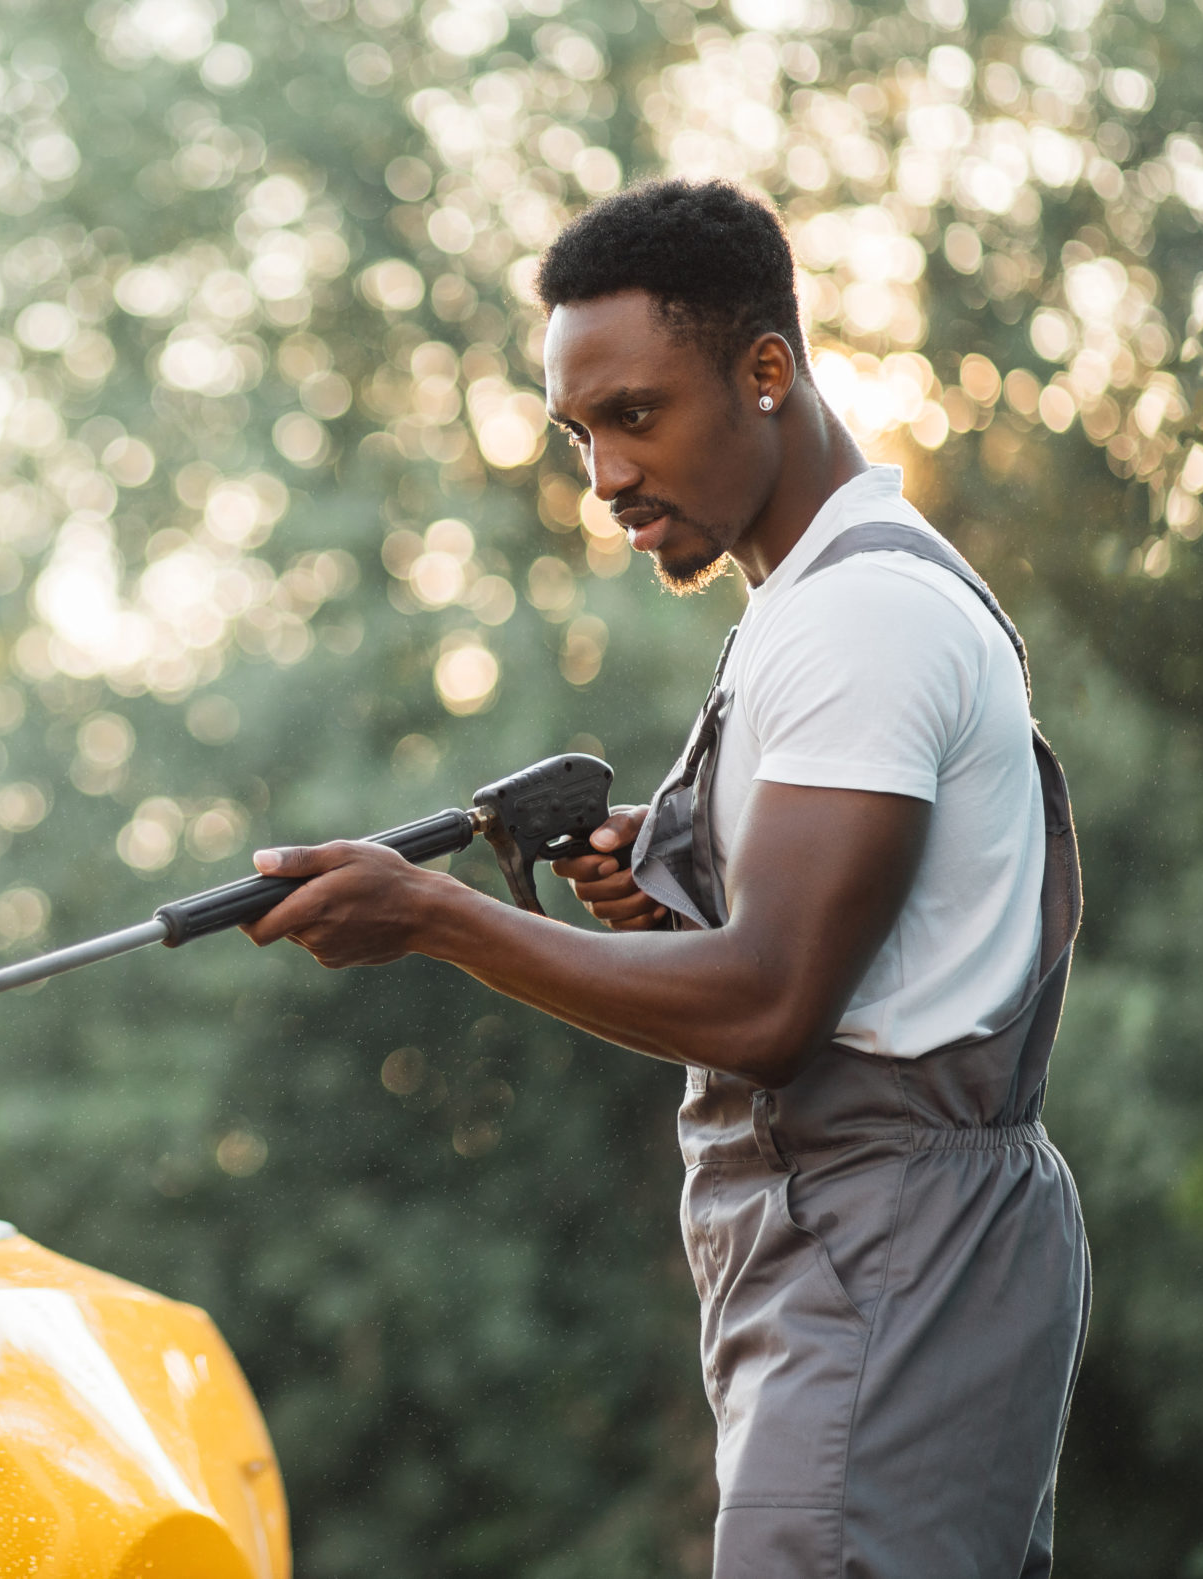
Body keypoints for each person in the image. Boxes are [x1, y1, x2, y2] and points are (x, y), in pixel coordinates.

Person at [245, 177, 1087, 1577]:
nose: (605, 478)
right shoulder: (823, 605)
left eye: (638, 415)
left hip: (892, 1263)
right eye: (582, 433)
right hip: (907, 1264)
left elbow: (768, 1009)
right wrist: (688, 861)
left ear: (768, 372)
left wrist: (436, 917)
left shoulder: (856, 622)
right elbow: (864, 935)